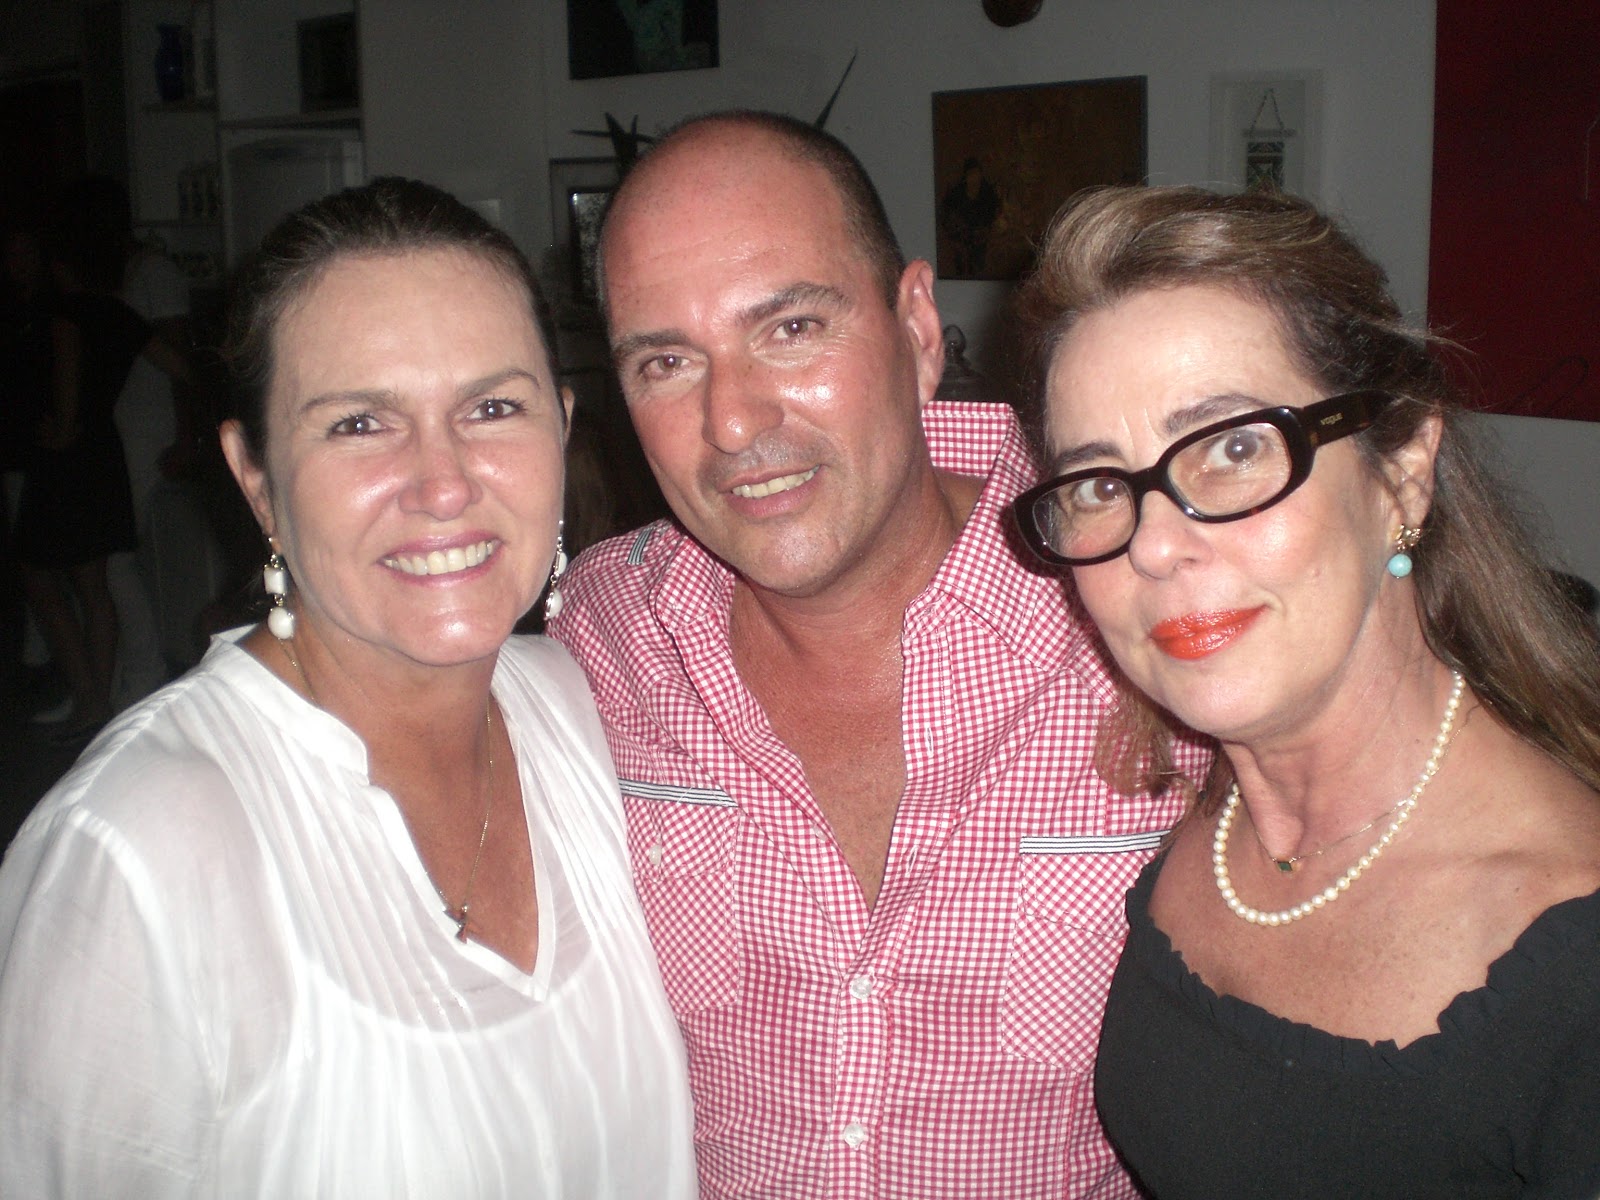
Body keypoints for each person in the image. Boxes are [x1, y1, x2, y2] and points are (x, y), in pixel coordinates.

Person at [548, 110, 1209, 1199]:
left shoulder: (1146, 596)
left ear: (917, 326)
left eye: (790, 327)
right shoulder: (599, 634)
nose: (731, 421)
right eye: (666, 360)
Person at [0, 177, 695, 1196]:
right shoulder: (135, 852)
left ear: (561, 428)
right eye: (361, 424)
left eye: (493, 407)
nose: (444, 484)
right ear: (255, 479)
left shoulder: (587, 712)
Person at [1010, 184, 1600, 1198]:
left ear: (1402, 471)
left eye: (1234, 448)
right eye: (1101, 485)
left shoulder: (1568, 959)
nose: (1154, 547)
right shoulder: (1203, 798)